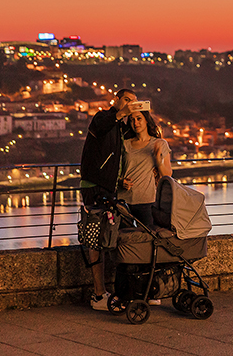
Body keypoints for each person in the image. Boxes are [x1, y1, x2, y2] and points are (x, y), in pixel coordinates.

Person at [79, 88, 136, 311]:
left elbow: (112, 160)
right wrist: (122, 112)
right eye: (127, 100)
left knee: (111, 237)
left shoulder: (122, 129)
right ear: (117, 100)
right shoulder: (103, 117)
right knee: (96, 240)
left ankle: (110, 291)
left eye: (134, 102)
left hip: (109, 188)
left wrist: (120, 180)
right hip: (94, 188)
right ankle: (98, 294)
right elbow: (100, 127)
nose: (131, 104)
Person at [117, 109, 173, 231]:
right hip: (123, 201)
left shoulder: (159, 144)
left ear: (147, 120)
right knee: (124, 240)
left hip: (147, 201)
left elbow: (167, 175)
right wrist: (120, 181)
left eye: (139, 118)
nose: (135, 123)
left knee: (149, 238)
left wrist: (158, 162)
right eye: (132, 120)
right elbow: (116, 171)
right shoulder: (124, 144)